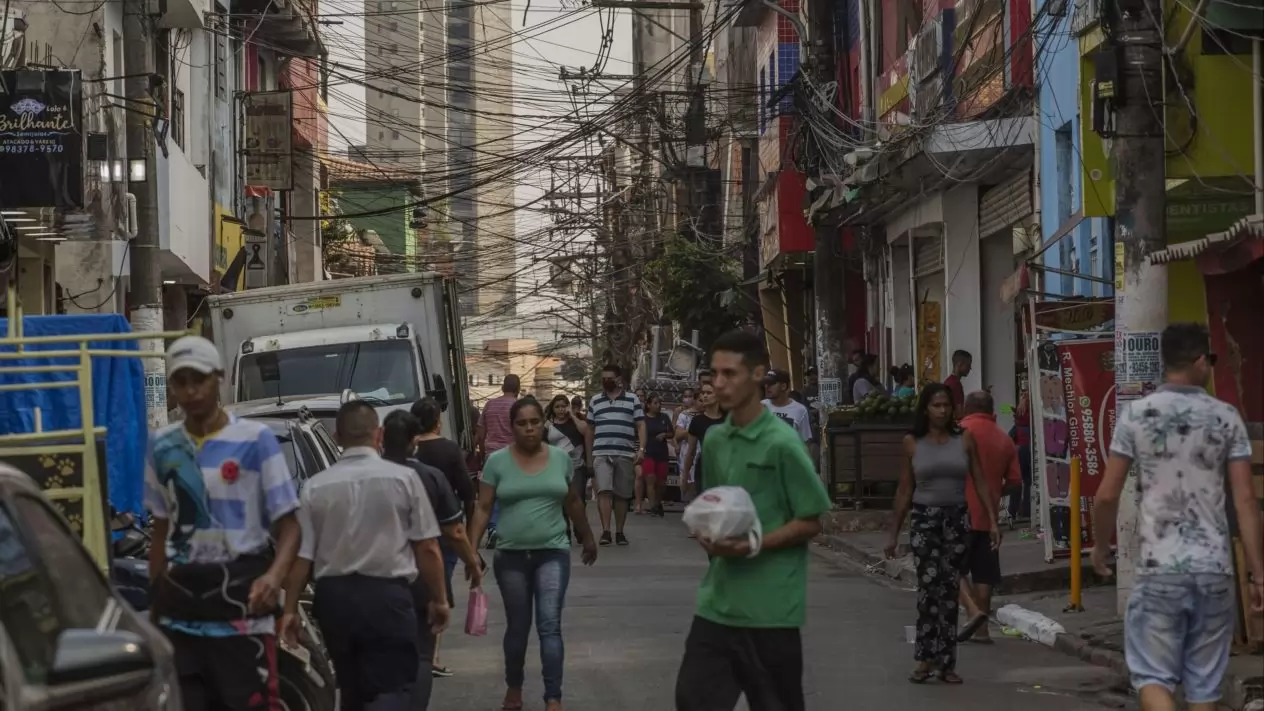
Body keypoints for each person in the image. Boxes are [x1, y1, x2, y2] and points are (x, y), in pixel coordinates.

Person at [1091, 323, 1264, 711]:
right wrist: (1258, 574)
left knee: (1153, 678)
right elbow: (1246, 501)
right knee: (1204, 686)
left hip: (1160, 571)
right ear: (1200, 360)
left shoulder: (1137, 415)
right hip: (1215, 571)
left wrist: (1102, 547)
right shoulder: (1225, 417)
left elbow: (1106, 495)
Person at [674, 330, 832, 711]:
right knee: (692, 701)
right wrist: (705, 531)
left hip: (770, 610)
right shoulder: (715, 440)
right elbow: (716, 504)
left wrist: (751, 545)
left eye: (731, 373)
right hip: (719, 603)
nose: (720, 383)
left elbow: (811, 520)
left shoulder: (782, 442)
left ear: (758, 374)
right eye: (715, 374)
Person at [144, 336, 302, 711]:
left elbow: (290, 524)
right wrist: (155, 605)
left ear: (218, 378)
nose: (191, 390)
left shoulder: (256, 441)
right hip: (182, 617)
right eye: (181, 381)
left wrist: (273, 578)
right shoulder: (161, 446)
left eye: (199, 379)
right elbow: (161, 528)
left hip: (241, 617)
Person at [280, 401, 451, 711]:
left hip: (334, 600)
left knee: (350, 687)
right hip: (386, 596)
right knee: (393, 685)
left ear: (337, 436)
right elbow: (427, 547)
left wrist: (290, 609)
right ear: (379, 434)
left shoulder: (315, 488)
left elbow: (303, 557)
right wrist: (439, 598)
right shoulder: (403, 479)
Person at [468, 399, 598, 711]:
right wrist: (470, 550)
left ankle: (553, 697)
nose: (529, 428)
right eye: (522, 423)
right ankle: (514, 688)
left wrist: (588, 536)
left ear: (544, 424)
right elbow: (483, 507)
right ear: (512, 427)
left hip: (552, 552)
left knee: (549, 624)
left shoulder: (559, 459)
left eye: (534, 422)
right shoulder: (497, 462)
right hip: (511, 556)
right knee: (517, 626)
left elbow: (573, 501)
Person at [884, 382, 1000, 685]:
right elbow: (904, 489)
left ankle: (947, 663)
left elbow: (980, 481)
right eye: (936, 405)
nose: (942, 410)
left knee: (949, 591)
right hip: (925, 520)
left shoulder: (965, 439)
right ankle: (924, 659)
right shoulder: (912, 442)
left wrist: (992, 521)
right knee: (928, 590)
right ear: (926, 408)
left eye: (946, 405)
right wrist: (893, 534)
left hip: (957, 519)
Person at [383, 409, 484, 691]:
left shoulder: (364, 477)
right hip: (418, 581)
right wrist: (472, 563)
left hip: (371, 582)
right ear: (413, 442)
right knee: (421, 656)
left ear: (381, 439)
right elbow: (452, 532)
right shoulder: (429, 477)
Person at [955, 391, 1021, 645]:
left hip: (958, 513)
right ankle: (981, 630)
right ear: (993, 412)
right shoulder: (1004, 440)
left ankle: (973, 612)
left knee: (953, 567)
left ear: (965, 409)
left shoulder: (957, 433)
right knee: (985, 573)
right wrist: (995, 491)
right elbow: (1015, 482)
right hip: (988, 517)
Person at [584, 364, 646, 546]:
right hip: (602, 452)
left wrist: (641, 449)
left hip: (625, 453)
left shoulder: (632, 400)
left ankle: (619, 531)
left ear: (618, 379)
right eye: (603, 378)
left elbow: (641, 425)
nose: (606, 381)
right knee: (604, 491)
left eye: (610, 377)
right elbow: (589, 430)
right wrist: (589, 458)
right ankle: (606, 531)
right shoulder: (595, 401)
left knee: (622, 494)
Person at [476, 374, 521, 549]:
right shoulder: (517, 406)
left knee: (491, 495)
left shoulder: (489, 405)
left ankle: (493, 528)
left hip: (491, 455)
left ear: (502, 387)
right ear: (517, 389)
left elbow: (480, 433)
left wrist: (482, 454)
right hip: (513, 454)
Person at [543, 394, 590, 544]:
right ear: (553, 408)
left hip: (577, 466)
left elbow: (585, 431)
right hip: (557, 467)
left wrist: (573, 416)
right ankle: (565, 531)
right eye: (557, 407)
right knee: (562, 500)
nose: (561, 410)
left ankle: (580, 529)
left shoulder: (576, 421)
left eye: (564, 406)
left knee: (579, 499)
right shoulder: (548, 424)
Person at [682, 383, 725, 494]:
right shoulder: (697, 421)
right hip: (704, 469)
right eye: (703, 393)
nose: (704, 396)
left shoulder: (728, 420)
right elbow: (690, 452)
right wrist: (685, 476)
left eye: (709, 393)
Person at [639, 393, 673, 517]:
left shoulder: (664, 417)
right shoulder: (644, 419)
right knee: (650, 479)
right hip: (648, 452)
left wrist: (664, 435)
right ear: (648, 405)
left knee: (661, 483)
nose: (658, 406)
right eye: (655, 403)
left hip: (662, 453)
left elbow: (672, 433)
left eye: (659, 403)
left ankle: (658, 503)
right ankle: (652, 506)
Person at [761, 369, 813, 443]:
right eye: (765, 384)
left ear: (783, 386)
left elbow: (805, 441)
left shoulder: (800, 410)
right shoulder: (760, 407)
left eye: (771, 384)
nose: (766, 387)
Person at [674, 387, 702, 502]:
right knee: (688, 478)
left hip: (703, 452)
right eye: (700, 400)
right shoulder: (684, 415)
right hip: (688, 451)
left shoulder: (708, 416)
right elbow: (678, 435)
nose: (703, 402)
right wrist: (694, 430)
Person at [943, 350, 972, 417]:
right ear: (960, 364)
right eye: (968, 365)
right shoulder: (955, 384)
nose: (970, 368)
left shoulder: (949, 381)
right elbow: (959, 413)